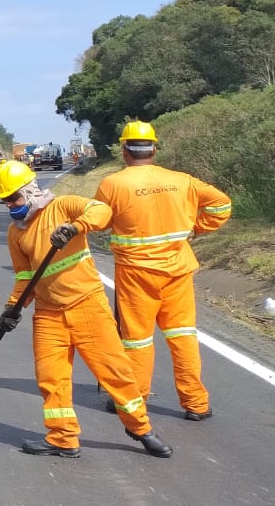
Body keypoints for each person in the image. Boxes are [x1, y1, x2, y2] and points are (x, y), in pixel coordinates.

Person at [0, 160, 172, 460]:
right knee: (51, 378)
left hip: (87, 305)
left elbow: (102, 211)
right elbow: (25, 276)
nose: (9, 205)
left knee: (115, 373)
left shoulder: (64, 207)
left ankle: (141, 429)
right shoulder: (16, 232)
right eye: (5, 201)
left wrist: (74, 227)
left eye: (13, 198)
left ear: (30, 192)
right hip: (48, 315)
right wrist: (13, 307)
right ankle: (62, 437)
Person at [94, 120, 232, 420]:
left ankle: (134, 401)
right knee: (182, 334)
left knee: (137, 340)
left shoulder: (113, 184)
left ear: (124, 150)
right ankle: (196, 404)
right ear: (154, 148)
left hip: (136, 273)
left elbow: (98, 221)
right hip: (178, 269)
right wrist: (196, 228)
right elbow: (221, 205)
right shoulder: (182, 181)